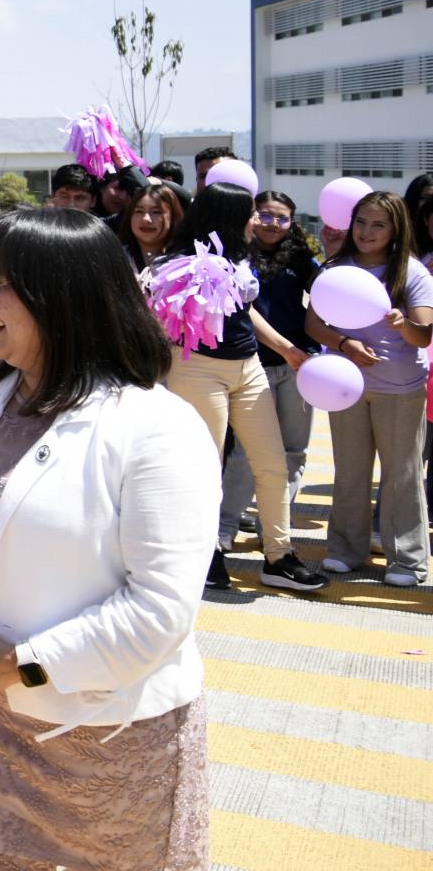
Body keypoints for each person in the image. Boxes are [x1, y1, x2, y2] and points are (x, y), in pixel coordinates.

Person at [0, 207, 215, 871]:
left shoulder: (157, 427)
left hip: (107, 737)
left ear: (58, 297)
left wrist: (20, 663)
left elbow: (159, 608)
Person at [155, 181, 326, 593]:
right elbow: (162, 321)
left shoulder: (240, 257)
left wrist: (287, 349)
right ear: (227, 218)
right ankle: (205, 551)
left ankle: (279, 556)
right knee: (206, 467)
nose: (256, 219)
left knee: (272, 464)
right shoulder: (179, 263)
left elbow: (244, 310)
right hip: (197, 371)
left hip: (248, 368)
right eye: (250, 212)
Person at [305, 191, 433, 586]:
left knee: (402, 475)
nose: (366, 231)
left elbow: (423, 335)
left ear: (396, 229)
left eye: (378, 224)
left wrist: (402, 324)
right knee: (350, 471)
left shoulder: (412, 273)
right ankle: (346, 550)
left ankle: (407, 561)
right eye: (361, 222)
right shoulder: (335, 268)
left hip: (400, 388)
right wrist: (345, 344)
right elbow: (314, 324)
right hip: (346, 386)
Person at [216, 191, 317, 560]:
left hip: (298, 366)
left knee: (293, 452)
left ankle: (273, 526)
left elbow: (329, 294)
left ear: (292, 222)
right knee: (245, 453)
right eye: (265, 215)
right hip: (252, 364)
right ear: (252, 217)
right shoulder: (235, 255)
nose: (273, 224)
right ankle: (225, 526)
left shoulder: (302, 257)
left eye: (282, 217)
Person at [114, 183, 181, 271]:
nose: (146, 219)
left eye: (156, 212)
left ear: (172, 217)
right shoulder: (114, 257)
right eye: (139, 211)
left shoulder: (184, 265)